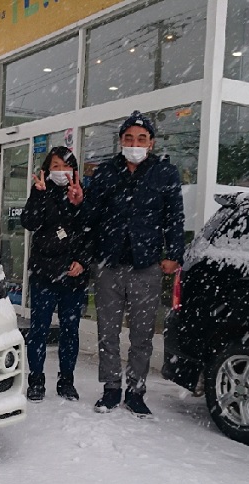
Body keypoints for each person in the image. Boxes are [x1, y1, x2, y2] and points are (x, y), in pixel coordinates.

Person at [82, 111, 185, 417]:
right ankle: (111, 388)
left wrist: (173, 254)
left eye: (141, 139)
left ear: (151, 143)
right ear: (121, 141)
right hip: (109, 263)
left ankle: (136, 391)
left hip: (146, 265)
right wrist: (80, 203)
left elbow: (174, 217)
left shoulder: (165, 173)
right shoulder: (105, 172)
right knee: (108, 332)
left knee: (142, 334)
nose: (135, 144)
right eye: (129, 138)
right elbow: (91, 216)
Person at [20, 146, 90, 402]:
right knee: (38, 329)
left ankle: (66, 381)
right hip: (44, 274)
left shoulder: (81, 192)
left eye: (66, 166)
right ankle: (36, 380)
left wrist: (82, 261)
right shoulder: (41, 191)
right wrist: (38, 196)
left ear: (74, 169)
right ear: (47, 170)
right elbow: (30, 223)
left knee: (70, 330)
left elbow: (90, 230)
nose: (61, 171)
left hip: (73, 275)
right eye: (56, 166)